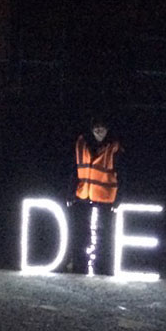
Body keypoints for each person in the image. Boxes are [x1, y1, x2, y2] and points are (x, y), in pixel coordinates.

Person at [66, 114, 122, 276]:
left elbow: (122, 174)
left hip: (105, 198)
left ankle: (102, 268)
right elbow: (73, 170)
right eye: (96, 127)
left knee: (103, 237)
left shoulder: (114, 147)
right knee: (81, 234)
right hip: (83, 195)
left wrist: (119, 198)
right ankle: (80, 267)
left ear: (107, 129)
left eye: (102, 127)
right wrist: (70, 192)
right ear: (91, 129)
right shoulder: (81, 144)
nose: (99, 130)